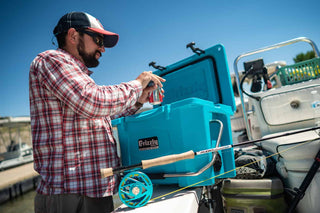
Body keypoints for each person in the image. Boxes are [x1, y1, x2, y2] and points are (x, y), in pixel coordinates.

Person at [29, 11, 165, 213]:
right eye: (98, 39)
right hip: (69, 195)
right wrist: (137, 84)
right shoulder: (51, 60)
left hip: (95, 192)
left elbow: (101, 115)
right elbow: (92, 101)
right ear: (73, 36)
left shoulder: (77, 75)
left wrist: (138, 102)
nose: (102, 48)